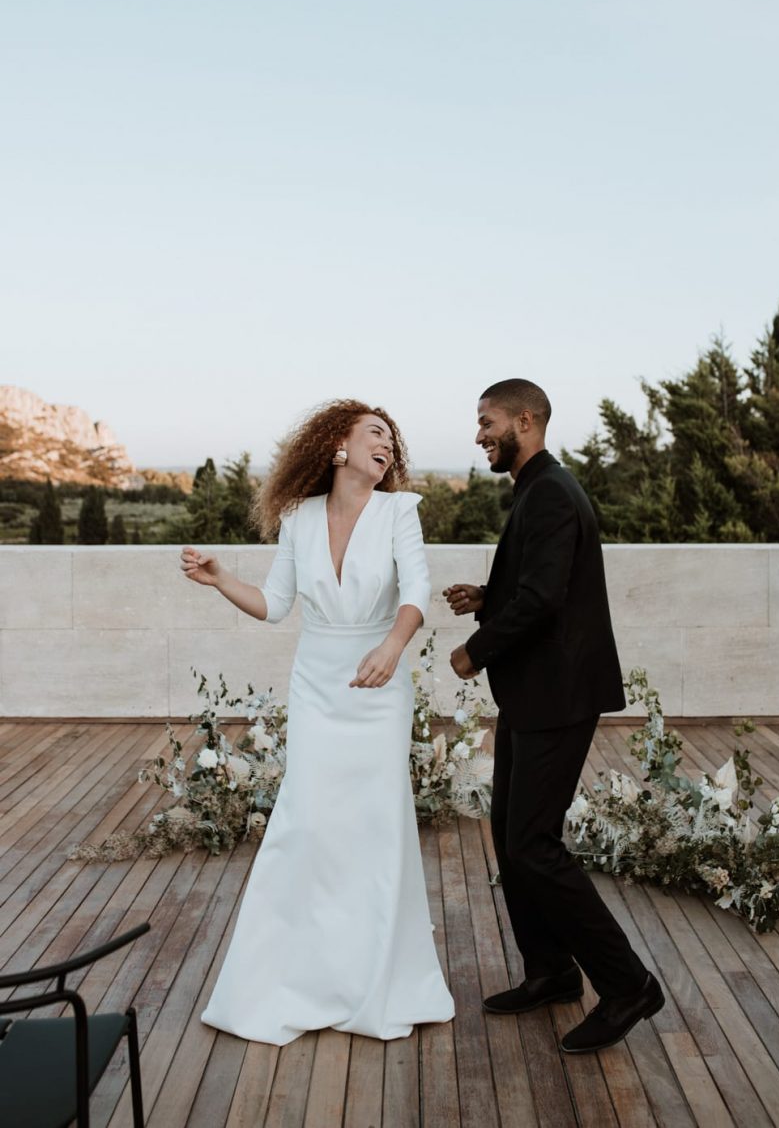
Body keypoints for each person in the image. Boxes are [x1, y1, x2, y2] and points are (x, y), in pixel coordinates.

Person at [181, 400, 454, 1045]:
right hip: (316, 686)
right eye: (374, 433)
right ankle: (292, 977)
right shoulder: (298, 518)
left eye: (392, 438)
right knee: (305, 825)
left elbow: (415, 592)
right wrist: (222, 579)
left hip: (379, 687)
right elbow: (276, 605)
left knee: (375, 825)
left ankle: (376, 983)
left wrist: (391, 649)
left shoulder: (398, 513)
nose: (386, 445)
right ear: (337, 445)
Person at [444, 378, 663, 1054]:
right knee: (513, 838)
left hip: (558, 696)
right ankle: (551, 970)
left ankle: (628, 985)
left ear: (526, 420)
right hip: (537, 695)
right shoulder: (539, 489)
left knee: (534, 845)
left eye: (487, 421)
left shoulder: (552, 493)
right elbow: (543, 585)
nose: (478, 433)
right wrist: (486, 596)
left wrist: (474, 650)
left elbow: (542, 600)